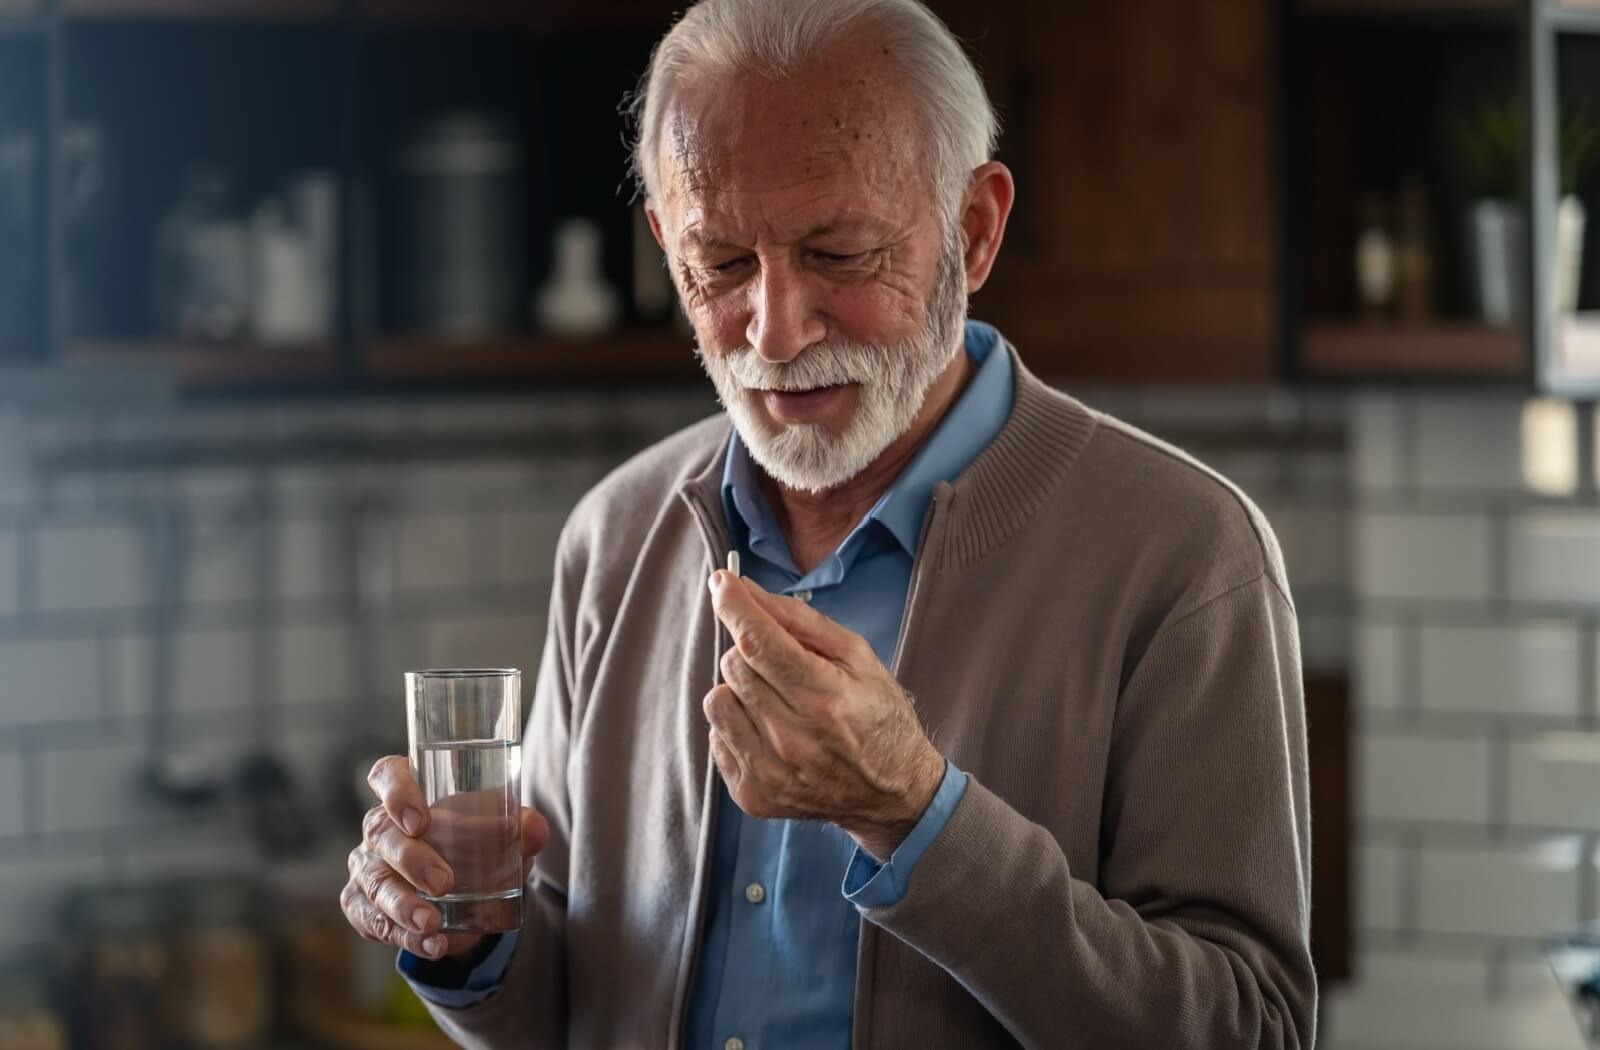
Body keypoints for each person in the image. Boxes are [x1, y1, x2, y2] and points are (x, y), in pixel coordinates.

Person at [340, 0, 1318, 1046]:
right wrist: (463, 931)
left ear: (975, 230)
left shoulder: (1184, 555)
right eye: (718, 265)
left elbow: (1247, 1028)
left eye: (840, 255)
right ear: (665, 244)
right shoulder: (614, 536)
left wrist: (916, 816)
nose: (775, 330)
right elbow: (568, 1007)